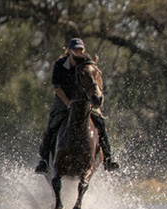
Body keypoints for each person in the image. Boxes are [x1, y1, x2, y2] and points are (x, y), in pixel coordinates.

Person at [35, 38, 120, 174]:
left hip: (85, 101)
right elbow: (57, 88)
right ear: (68, 50)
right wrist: (68, 103)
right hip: (64, 98)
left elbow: (97, 81)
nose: (78, 51)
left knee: (100, 121)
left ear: (83, 50)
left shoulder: (88, 64)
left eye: (80, 49)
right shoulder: (60, 64)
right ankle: (44, 160)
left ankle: (108, 158)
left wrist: (95, 97)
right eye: (75, 49)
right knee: (53, 123)